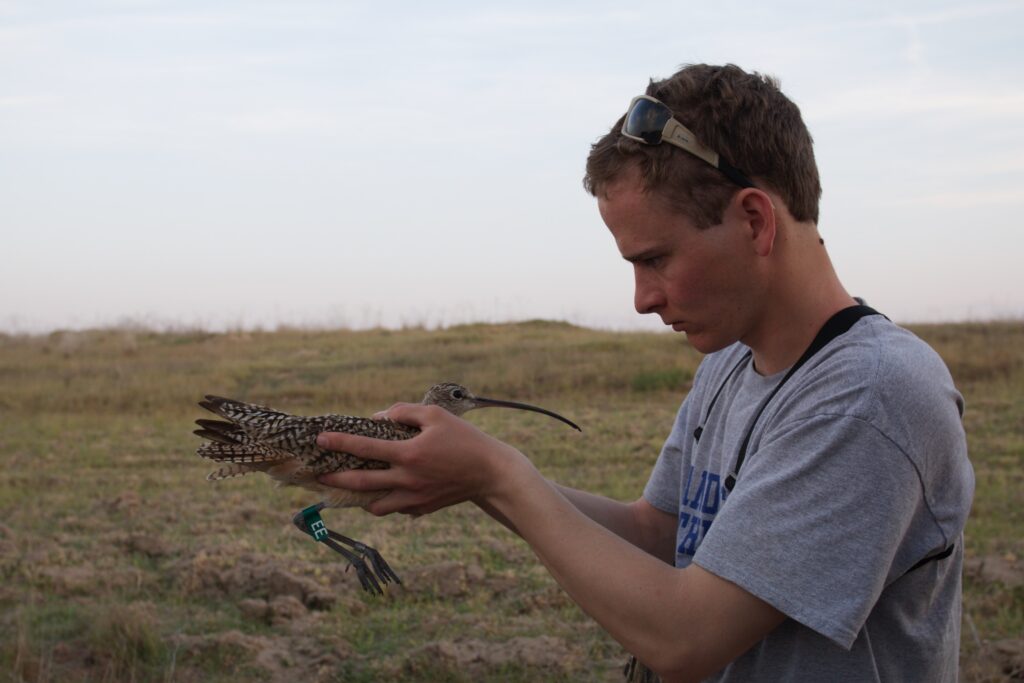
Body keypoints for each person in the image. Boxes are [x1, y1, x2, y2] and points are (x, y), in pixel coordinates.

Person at [316, 64, 975, 682]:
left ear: (754, 220)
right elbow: (659, 534)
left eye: (655, 258)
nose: (642, 298)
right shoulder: (728, 365)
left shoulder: (868, 398)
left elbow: (686, 635)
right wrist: (474, 470)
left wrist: (497, 474)